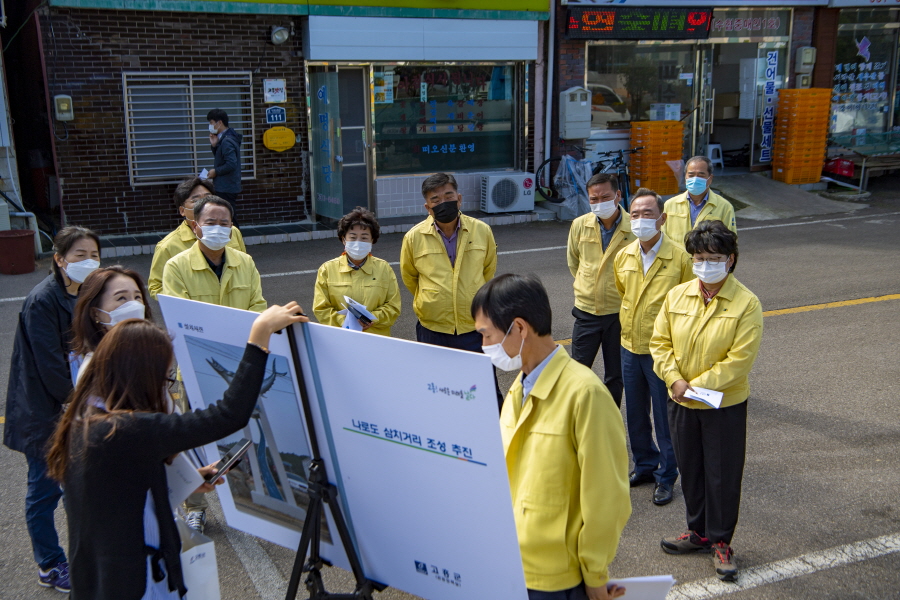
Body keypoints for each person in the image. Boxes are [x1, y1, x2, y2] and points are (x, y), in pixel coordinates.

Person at [46, 304, 308, 599]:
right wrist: (260, 335)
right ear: (141, 377)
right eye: (165, 378)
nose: (166, 388)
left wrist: (187, 480)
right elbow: (227, 415)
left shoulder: (88, 422)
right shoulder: (125, 430)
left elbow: (120, 493)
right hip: (134, 584)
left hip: (97, 582)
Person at [472, 274, 630, 600]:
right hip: (513, 563)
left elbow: (606, 499)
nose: (484, 346)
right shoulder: (519, 387)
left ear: (519, 328)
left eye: (487, 335)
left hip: (556, 577)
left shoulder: (585, 394)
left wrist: (595, 572)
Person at [650, 220, 763, 582]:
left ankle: (721, 541)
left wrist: (693, 386)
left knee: (722, 475)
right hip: (681, 400)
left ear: (731, 260)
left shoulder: (746, 303)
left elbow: (739, 360)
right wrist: (674, 379)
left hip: (722, 405)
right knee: (692, 469)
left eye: (714, 257)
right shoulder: (676, 296)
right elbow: (660, 343)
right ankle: (697, 532)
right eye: (699, 257)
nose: (706, 264)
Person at [3, 225, 101, 593]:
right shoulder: (42, 300)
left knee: (81, 486)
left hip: (79, 404)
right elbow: (49, 366)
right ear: (59, 259)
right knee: (44, 490)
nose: (89, 261)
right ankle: (49, 563)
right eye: (80, 255)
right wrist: (81, 402)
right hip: (45, 411)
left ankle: (83, 554)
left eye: (94, 255)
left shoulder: (87, 292)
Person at [613, 189, 693, 507]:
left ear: (663, 218)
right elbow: (624, 293)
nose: (640, 220)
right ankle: (644, 465)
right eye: (634, 214)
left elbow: (689, 307)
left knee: (664, 417)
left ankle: (667, 475)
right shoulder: (624, 256)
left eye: (648, 214)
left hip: (662, 352)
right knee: (635, 414)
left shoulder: (681, 259)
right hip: (629, 346)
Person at [400, 173, 497, 351]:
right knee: (433, 370)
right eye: (435, 200)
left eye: (448, 196)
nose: (443, 203)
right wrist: (432, 298)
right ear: (428, 207)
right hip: (433, 326)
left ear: (459, 199)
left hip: (474, 323)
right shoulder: (413, 237)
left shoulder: (482, 231)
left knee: (475, 370)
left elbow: (488, 270)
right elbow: (410, 277)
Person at [566, 172, 635, 407]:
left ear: (618, 195)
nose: (599, 203)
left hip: (619, 313)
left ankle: (610, 419)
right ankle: (579, 418)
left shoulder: (633, 227)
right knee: (577, 372)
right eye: (593, 199)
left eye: (605, 197)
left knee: (616, 375)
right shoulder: (579, 225)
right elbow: (574, 262)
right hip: (586, 311)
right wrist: (589, 286)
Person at [162, 194, 266, 313]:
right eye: (210, 223)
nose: (217, 229)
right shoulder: (176, 267)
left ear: (231, 227)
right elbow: (180, 313)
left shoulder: (246, 262)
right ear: (195, 226)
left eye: (224, 224)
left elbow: (258, 306)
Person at [148, 177, 247, 299]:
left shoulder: (232, 232)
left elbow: (245, 269)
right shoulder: (168, 246)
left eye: (208, 198)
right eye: (195, 200)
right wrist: (186, 300)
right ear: (182, 210)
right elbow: (156, 286)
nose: (204, 204)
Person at [313, 207, 400, 336]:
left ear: (372, 240)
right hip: (340, 337)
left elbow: (393, 306)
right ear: (344, 239)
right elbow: (321, 309)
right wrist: (348, 322)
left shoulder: (384, 268)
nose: (358, 242)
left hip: (376, 338)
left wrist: (372, 319)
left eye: (364, 238)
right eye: (353, 237)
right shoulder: (327, 269)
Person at [72, 266, 152, 382]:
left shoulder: (148, 352)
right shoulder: (96, 371)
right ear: (95, 313)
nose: (135, 305)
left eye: (137, 297)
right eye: (121, 298)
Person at [661, 156, 737, 251]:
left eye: (701, 175)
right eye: (691, 175)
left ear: (710, 178)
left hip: (707, 259)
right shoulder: (670, 205)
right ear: (685, 178)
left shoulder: (724, 207)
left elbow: (730, 242)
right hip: (677, 259)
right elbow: (662, 238)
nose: (695, 179)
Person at [206, 108, 243, 217]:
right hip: (227, 185)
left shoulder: (227, 141)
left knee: (228, 217)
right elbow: (222, 158)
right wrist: (214, 146)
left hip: (226, 186)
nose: (210, 126)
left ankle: (234, 229)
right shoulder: (225, 138)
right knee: (227, 215)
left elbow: (231, 164)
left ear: (219, 123)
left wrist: (216, 171)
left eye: (211, 123)